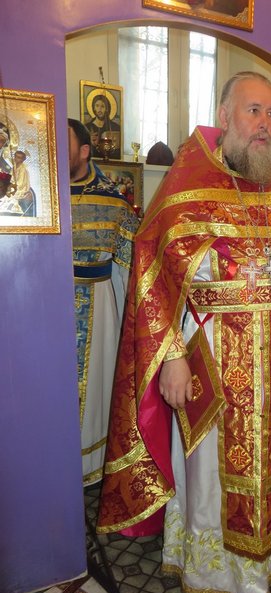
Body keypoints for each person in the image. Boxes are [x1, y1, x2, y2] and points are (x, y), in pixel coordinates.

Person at [97, 72, 271, 593]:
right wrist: (171, 356)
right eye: (254, 111)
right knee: (211, 473)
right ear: (225, 116)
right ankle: (216, 570)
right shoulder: (186, 186)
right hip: (212, 352)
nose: (265, 124)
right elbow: (152, 275)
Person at [68, 118, 139, 485]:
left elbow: (131, 267)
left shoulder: (113, 200)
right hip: (45, 308)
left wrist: (132, 325)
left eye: (65, 144)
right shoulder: (37, 196)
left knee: (95, 389)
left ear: (84, 151)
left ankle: (86, 469)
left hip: (97, 305)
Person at [85, 93, 121, 159]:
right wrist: (90, 142)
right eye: (97, 106)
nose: (99, 109)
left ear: (107, 109)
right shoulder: (87, 127)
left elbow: (117, 150)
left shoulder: (115, 127)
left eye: (102, 106)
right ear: (94, 108)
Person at [12, 150, 36, 216]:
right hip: (15, 188)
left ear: (22, 159)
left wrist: (10, 186)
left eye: (19, 157)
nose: (16, 158)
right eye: (15, 156)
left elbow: (20, 184)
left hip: (21, 190)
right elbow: (11, 178)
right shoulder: (14, 167)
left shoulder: (23, 169)